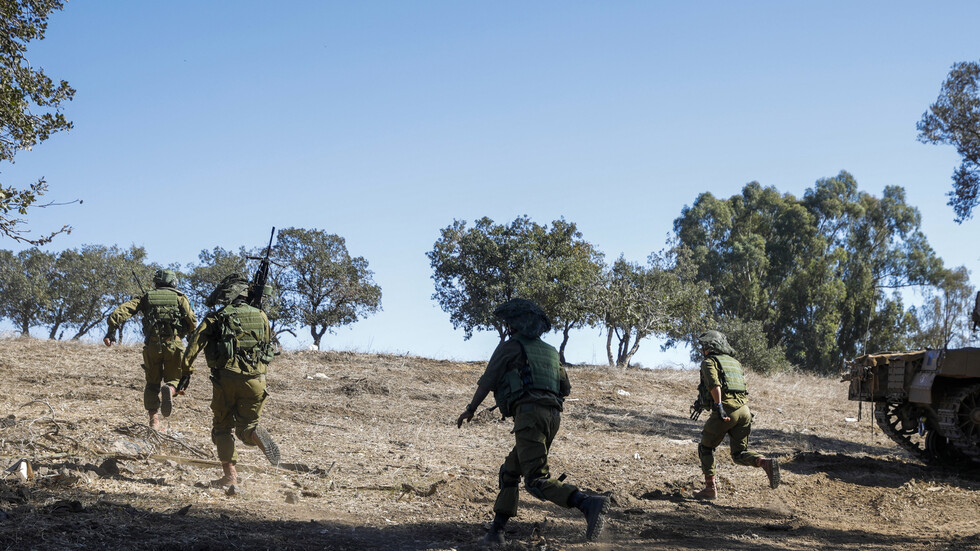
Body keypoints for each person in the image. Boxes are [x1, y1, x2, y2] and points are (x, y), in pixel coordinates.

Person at [456, 298, 610, 545]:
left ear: (515, 324)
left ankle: (586, 502)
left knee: (536, 480)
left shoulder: (510, 347)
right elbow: (565, 388)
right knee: (510, 470)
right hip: (552, 417)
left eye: (509, 323)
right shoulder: (551, 351)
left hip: (529, 416)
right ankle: (496, 532)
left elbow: (488, 381)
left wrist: (471, 409)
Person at [182, 273, 280, 488]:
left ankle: (230, 477)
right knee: (247, 425)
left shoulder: (215, 318)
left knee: (222, 427)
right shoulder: (262, 316)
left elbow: (193, 347)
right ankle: (254, 433)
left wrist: (185, 372)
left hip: (226, 379)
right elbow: (267, 346)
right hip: (256, 380)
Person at [104, 269, 196, 430]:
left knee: (152, 384)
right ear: (173, 282)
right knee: (175, 378)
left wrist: (111, 332)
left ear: (156, 282)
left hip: (152, 346)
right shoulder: (180, 297)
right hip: (174, 345)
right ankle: (171, 389)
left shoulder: (146, 297)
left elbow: (119, 312)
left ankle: (154, 421)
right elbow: (192, 321)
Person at [692, 330, 779, 500]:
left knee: (706, 447)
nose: (702, 349)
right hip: (744, 411)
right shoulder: (734, 363)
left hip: (726, 410)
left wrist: (718, 407)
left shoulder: (709, 362)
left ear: (711, 346)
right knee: (739, 454)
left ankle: (710, 489)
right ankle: (764, 462)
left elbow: (715, 386)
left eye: (704, 345)